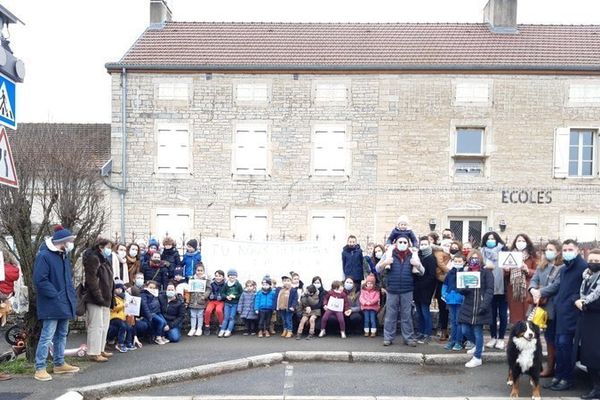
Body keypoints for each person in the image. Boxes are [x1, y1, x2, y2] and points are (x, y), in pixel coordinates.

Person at [535, 239, 587, 391]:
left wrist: (573, 300)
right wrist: (540, 292)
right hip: (560, 313)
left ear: (577, 251)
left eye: (570, 250)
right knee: (559, 345)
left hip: (572, 314)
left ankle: (567, 378)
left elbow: (584, 289)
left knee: (566, 346)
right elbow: (557, 286)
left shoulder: (583, 267)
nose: (567, 252)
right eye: (564, 250)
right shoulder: (564, 269)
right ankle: (558, 376)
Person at [32, 225, 79, 382]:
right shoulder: (45, 256)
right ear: (63, 241)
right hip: (52, 303)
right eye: (69, 241)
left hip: (63, 301)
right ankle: (40, 368)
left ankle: (59, 363)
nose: (71, 244)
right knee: (47, 336)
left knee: (61, 334)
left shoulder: (63, 255)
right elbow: (40, 280)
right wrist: (56, 295)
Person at [377, 237, 424, 347]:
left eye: (405, 242)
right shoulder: (388, 253)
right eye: (400, 242)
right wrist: (385, 263)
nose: (402, 244)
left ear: (408, 244)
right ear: (395, 243)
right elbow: (377, 268)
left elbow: (422, 271)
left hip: (407, 290)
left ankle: (408, 338)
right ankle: (388, 338)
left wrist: (417, 265)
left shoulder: (413, 254)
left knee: (407, 315)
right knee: (390, 315)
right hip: (392, 290)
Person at [528, 240, 563, 377]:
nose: (547, 252)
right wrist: (533, 290)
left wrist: (540, 292)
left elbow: (556, 285)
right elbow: (534, 280)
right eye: (546, 249)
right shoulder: (541, 266)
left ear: (558, 252)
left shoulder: (561, 268)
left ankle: (551, 366)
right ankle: (536, 364)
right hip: (538, 305)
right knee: (535, 335)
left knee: (550, 338)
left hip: (552, 307)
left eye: (551, 249)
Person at [458, 249, 494, 368]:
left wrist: (485, 304)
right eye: (472, 258)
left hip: (481, 306)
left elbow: (490, 290)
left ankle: (477, 357)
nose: (474, 260)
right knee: (465, 330)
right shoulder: (466, 271)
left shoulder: (486, 272)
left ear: (480, 259)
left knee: (478, 332)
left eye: (476, 258)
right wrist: (463, 288)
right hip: (468, 306)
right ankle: (479, 345)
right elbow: (462, 290)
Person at [82, 238, 115, 362]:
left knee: (104, 325)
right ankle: (93, 352)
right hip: (95, 298)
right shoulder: (93, 258)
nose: (109, 250)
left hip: (105, 298)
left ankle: (100, 349)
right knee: (96, 325)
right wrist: (99, 296)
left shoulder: (104, 259)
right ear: (101, 247)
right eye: (108, 247)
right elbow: (92, 280)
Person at [575, 249, 600, 400]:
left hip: (597, 321)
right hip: (587, 321)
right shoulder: (586, 277)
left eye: (597, 261)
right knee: (589, 356)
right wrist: (580, 302)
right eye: (591, 260)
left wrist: (584, 305)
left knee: (596, 356)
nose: (594, 263)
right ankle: (595, 387)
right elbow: (583, 296)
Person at [481, 231, 508, 350]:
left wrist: (507, 269)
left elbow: (511, 267)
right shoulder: (481, 251)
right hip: (488, 288)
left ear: (497, 239)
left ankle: (501, 338)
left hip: (502, 288)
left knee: (502, 315)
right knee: (491, 314)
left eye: (493, 238)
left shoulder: (504, 250)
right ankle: (493, 337)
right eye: (488, 238)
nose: (490, 240)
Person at [506, 234, 537, 326]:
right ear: (515, 243)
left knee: (528, 316)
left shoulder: (532, 256)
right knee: (516, 318)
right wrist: (507, 270)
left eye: (523, 241)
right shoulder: (510, 255)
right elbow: (504, 275)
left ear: (527, 243)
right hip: (514, 290)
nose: (520, 243)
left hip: (527, 289)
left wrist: (527, 270)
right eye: (518, 241)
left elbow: (537, 272)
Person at [414, 236, 437, 344]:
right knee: (419, 313)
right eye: (421, 244)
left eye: (425, 244)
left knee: (425, 312)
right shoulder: (418, 256)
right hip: (417, 289)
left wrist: (422, 285)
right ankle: (421, 332)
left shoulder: (431, 258)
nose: (422, 246)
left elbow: (432, 276)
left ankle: (427, 334)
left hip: (426, 290)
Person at [442, 253, 465, 351]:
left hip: (460, 300)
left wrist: (463, 296)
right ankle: (452, 340)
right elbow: (445, 285)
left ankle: (459, 342)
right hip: (451, 300)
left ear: (464, 262)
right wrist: (444, 294)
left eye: (460, 261)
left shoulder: (465, 273)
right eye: (455, 261)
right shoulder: (450, 273)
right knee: (452, 321)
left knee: (459, 322)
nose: (457, 263)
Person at [432, 238, 451, 342]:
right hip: (442, 282)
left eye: (450, 244)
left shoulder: (453, 254)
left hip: (450, 282)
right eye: (446, 244)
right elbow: (440, 264)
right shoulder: (440, 253)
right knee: (443, 307)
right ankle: (443, 330)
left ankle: (446, 330)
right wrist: (450, 272)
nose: (448, 246)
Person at [108, 281, 135, 353]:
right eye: (117, 288)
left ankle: (128, 342)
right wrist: (123, 305)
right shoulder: (112, 298)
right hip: (114, 317)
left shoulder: (123, 298)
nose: (119, 290)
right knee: (122, 326)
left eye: (120, 288)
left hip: (122, 317)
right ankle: (120, 343)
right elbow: (113, 308)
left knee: (129, 327)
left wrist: (128, 313)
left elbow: (124, 310)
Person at [140, 280, 169, 345]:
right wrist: (149, 316)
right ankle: (158, 337)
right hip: (150, 313)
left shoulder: (156, 293)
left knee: (164, 322)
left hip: (157, 311)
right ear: (146, 287)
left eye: (154, 288)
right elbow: (144, 305)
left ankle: (162, 336)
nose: (152, 289)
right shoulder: (143, 294)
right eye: (150, 287)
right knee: (160, 322)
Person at [187, 263, 211, 336]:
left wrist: (204, 296)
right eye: (198, 270)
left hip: (201, 300)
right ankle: (192, 328)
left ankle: (199, 328)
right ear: (195, 271)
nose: (199, 272)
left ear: (203, 271)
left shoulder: (206, 279)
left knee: (200, 315)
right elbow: (189, 289)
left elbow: (209, 289)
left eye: (201, 270)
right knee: (193, 315)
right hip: (193, 300)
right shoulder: (191, 279)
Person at [218, 269, 243, 338]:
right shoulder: (226, 284)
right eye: (230, 276)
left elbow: (241, 294)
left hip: (234, 303)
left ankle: (229, 330)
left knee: (232, 317)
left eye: (234, 275)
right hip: (227, 303)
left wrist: (234, 296)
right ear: (228, 276)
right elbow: (222, 293)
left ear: (236, 276)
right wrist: (226, 296)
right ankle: (222, 330)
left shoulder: (238, 285)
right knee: (226, 317)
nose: (232, 277)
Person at [203, 270, 226, 335]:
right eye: (216, 276)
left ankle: (221, 326)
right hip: (212, 301)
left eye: (219, 276)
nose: (218, 277)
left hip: (220, 301)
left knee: (219, 310)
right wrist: (210, 296)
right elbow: (209, 292)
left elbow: (225, 294)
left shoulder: (225, 285)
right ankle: (207, 326)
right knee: (208, 310)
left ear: (223, 277)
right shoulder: (212, 284)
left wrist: (222, 297)